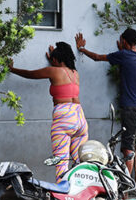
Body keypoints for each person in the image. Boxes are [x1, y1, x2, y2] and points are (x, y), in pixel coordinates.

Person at [75, 28, 136, 200]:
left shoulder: (123, 56)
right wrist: (123, 49)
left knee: (128, 150)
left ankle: (123, 195)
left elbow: (98, 57)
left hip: (131, 110)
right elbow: (131, 56)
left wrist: (82, 49)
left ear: (123, 40)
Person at [9, 42, 87, 181]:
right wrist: (55, 59)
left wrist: (12, 69)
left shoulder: (54, 71)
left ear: (56, 60)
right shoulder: (75, 73)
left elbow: (31, 74)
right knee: (79, 164)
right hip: (80, 118)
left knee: (61, 163)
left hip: (64, 118)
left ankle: (62, 198)